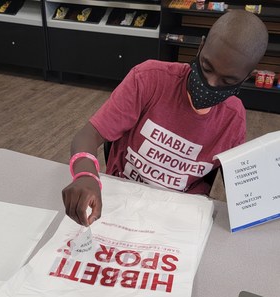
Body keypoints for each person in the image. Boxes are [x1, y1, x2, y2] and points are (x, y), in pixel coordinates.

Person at [62, 10, 268, 226]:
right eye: (206, 67)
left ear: (246, 77)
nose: (211, 84)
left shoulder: (233, 119)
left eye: (228, 81)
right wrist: (86, 175)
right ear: (200, 47)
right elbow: (88, 134)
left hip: (179, 214)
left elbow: (241, 189)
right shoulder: (149, 79)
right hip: (122, 199)